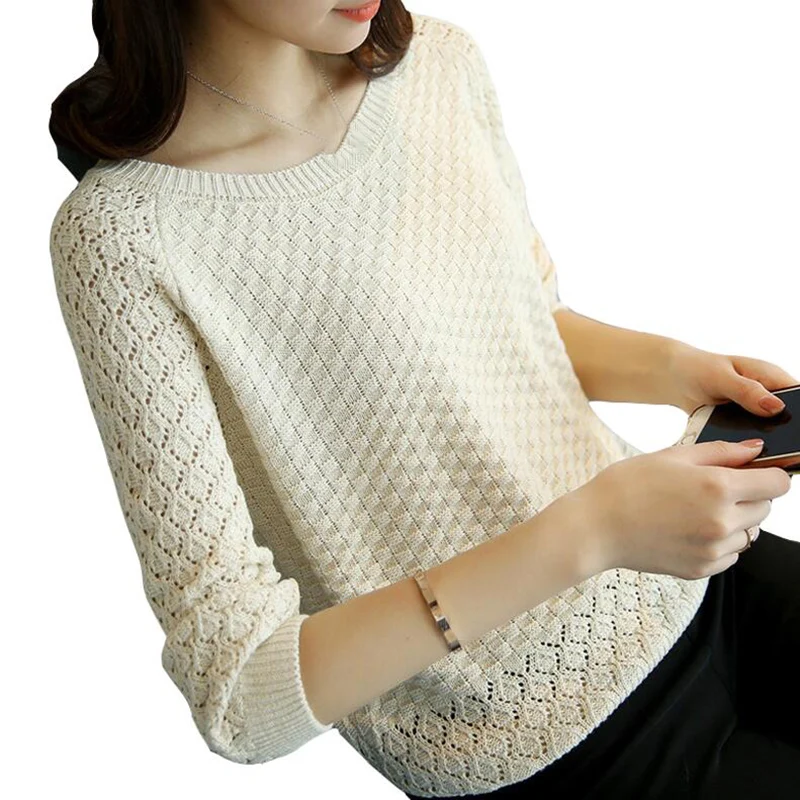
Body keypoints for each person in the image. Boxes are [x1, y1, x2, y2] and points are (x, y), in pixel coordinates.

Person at [48, 1, 799, 797]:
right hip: (526, 742)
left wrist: (675, 369)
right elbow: (239, 697)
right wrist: (594, 531)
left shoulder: (440, 66)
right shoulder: (124, 237)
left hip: (689, 584)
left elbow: (516, 322)